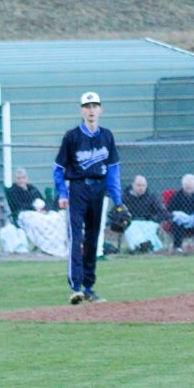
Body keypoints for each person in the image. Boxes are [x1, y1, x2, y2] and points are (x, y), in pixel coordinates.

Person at [53, 91, 123, 304]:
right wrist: (62, 193)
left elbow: (113, 171)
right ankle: (76, 288)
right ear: (81, 110)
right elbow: (58, 169)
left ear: (100, 110)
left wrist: (118, 202)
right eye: (87, 106)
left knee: (93, 238)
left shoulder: (107, 136)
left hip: (98, 189)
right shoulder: (72, 136)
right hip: (78, 188)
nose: (91, 110)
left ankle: (89, 287)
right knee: (77, 237)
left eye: (95, 106)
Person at [7, 169, 69, 258]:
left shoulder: (32, 189)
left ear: (26, 179)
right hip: (24, 214)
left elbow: (42, 200)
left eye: (23, 178)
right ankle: (46, 246)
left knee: (55, 218)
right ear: (15, 179)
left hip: (39, 211)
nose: (21, 180)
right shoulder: (13, 191)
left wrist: (43, 209)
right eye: (18, 178)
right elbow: (16, 205)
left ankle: (56, 245)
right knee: (39, 222)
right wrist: (33, 208)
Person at [121, 174, 167, 253]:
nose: (141, 188)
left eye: (143, 185)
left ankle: (147, 246)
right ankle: (141, 245)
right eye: (139, 185)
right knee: (131, 228)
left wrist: (153, 218)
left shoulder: (151, 197)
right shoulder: (125, 197)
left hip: (148, 222)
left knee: (149, 229)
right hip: (132, 223)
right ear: (133, 185)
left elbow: (162, 212)